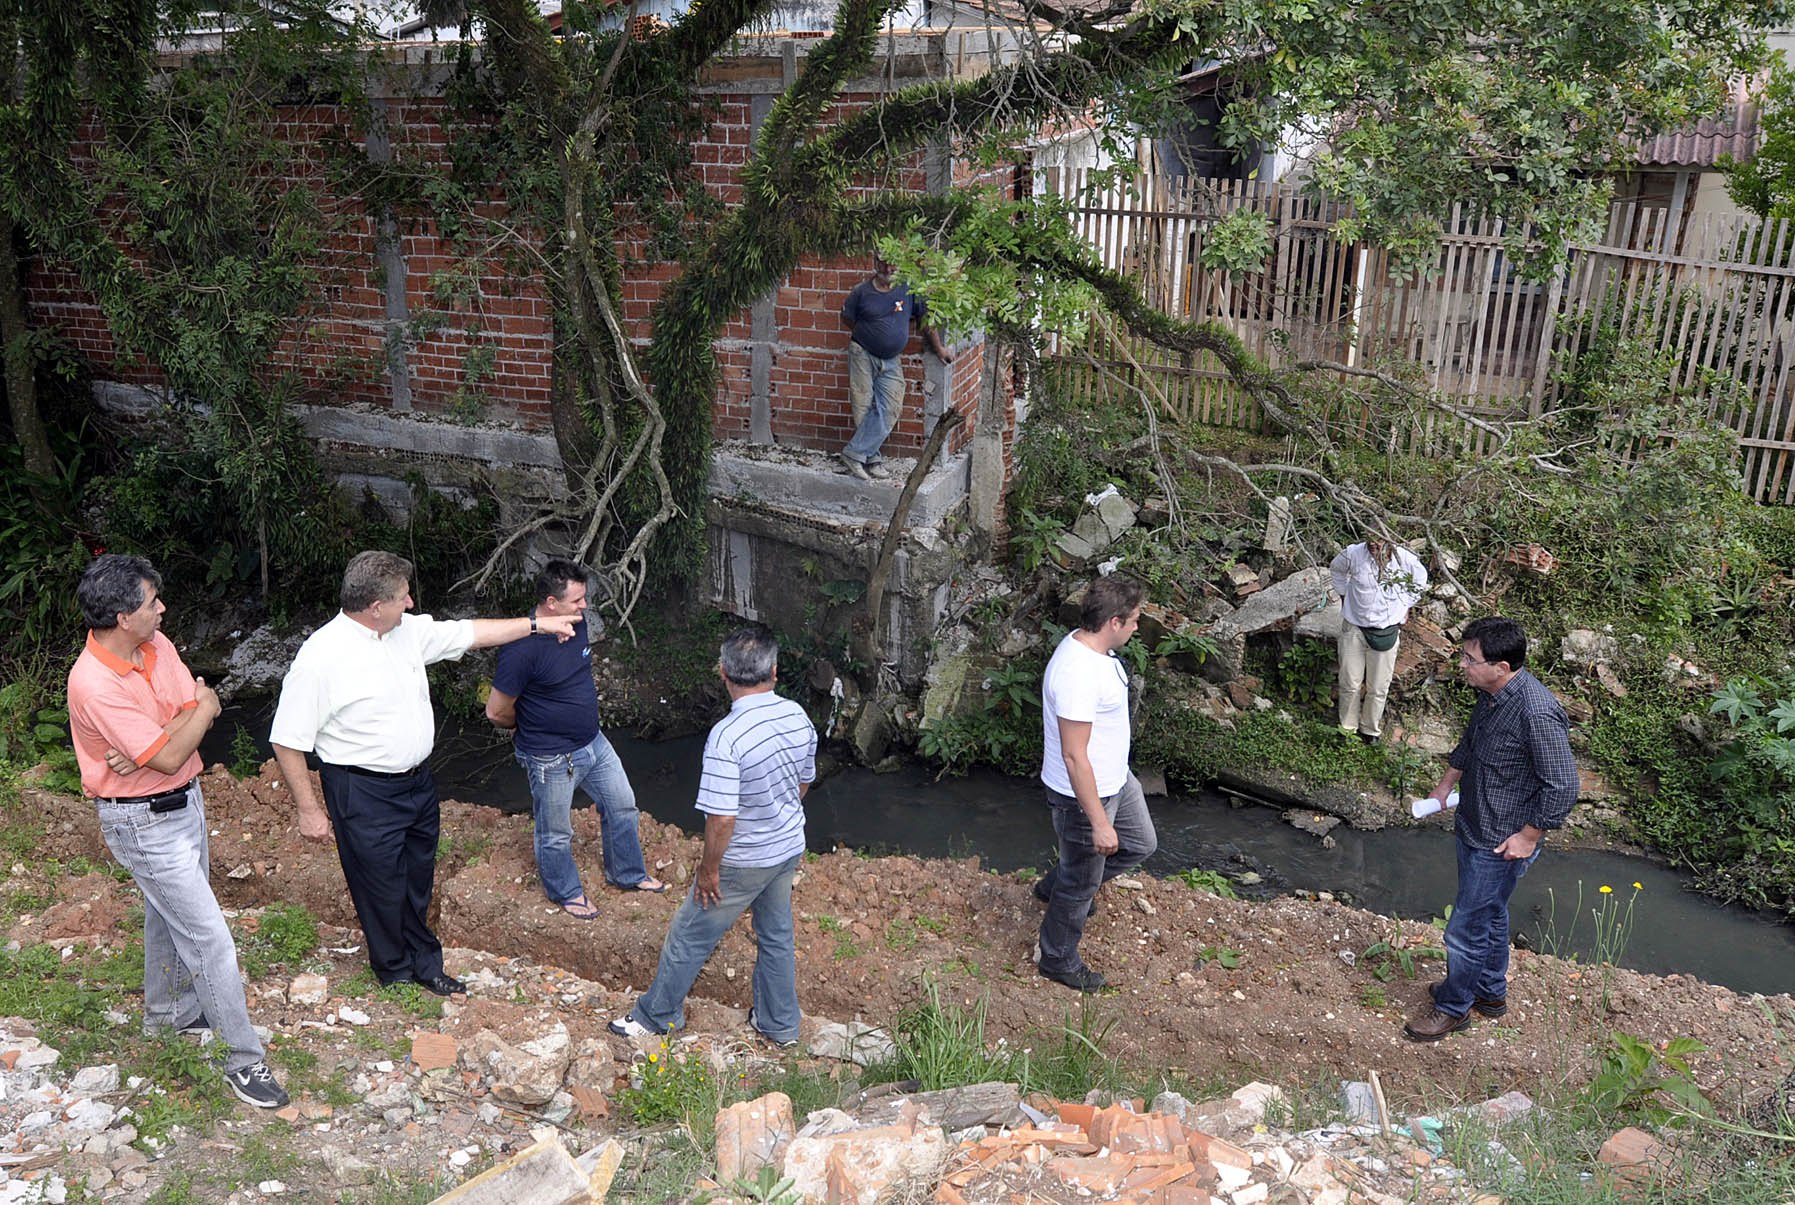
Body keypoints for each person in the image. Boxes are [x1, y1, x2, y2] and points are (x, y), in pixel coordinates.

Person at [269, 551, 577, 996]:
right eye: (402, 597)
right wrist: (308, 810)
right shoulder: (321, 658)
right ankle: (393, 971)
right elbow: (287, 739)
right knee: (379, 885)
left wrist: (537, 625)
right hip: (362, 790)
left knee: (418, 877)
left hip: (416, 783)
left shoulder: (406, 631)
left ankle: (427, 965)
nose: (411, 603)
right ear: (375, 607)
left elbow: (472, 633)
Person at [67, 555, 289, 1108]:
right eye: (150, 603)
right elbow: (169, 754)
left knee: (166, 918)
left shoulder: (156, 645)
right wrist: (173, 736)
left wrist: (182, 723)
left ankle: (169, 1019)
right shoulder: (93, 684)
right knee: (209, 937)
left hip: (185, 803)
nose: (161, 608)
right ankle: (244, 1061)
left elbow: (195, 706)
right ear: (122, 616)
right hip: (142, 821)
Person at [609, 627, 816, 1048]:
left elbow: (722, 819)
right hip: (787, 847)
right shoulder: (797, 715)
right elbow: (803, 783)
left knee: (690, 934)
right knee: (776, 936)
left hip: (743, 859)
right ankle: (779, 1026)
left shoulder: (727, 737)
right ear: (774, 672)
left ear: (723, 673)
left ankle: (656, 1015)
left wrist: (709, 871)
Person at [1404, 616, 1578, 1041]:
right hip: (1476, 821)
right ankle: (1489, 993)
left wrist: (1529, 836)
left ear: (1501, 667)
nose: (1462, 664)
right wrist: (1446, 785)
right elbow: (1471, 742)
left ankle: (1453, 1008)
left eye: (1470, 658)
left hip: (1502, 840)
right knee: (1492, 914)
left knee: (1465, 927)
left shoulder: (1537, 712)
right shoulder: (1490, 694)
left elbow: (1564, 784)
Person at [485, 559, 665, 918]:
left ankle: (627, 874)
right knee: (555, 831)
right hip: (551, 757)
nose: (585, 606)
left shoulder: (575, 625)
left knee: (622, 805)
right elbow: (495, 711)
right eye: (577, 600)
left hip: (593, 741)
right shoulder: (520, 650)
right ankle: (565, 892)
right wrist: (526, 727)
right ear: (551, 603)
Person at [1033, 575, 1158, 992]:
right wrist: (1099, 823)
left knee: (1140, 845)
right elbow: (1073, 755)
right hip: (1084, 795)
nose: (1138, 628)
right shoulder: (1076, 673)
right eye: (1135, 621)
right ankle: (1057, 959)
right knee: (1081, 882)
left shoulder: (1093, 650)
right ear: (1115, 623)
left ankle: (1053, 886)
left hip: (1116, 780)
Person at [837, 255, 953, 481]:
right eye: (883, 262)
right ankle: (871, 459)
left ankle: (856, 453)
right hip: (862, 353)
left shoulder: (907, 290)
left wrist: (939, 349)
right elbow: (847, 318)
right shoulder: (861, 293)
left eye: (893, 263)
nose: (888, 268)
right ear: (874, 263)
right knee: (863, 404)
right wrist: (871, 336)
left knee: (890, 407)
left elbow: (925, 320)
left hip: (891, 359)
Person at [1330, 535, 1428, 743]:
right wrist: (1344, 595)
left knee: (1378, 686)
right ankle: (1347, 729)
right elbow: (1336, 569)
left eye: (1380, 540)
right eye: (1369, 539)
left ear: (1390, 539)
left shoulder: (1405, 559)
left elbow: (1420, 581)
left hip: (1386, 630)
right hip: (1355, 627)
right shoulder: (1353, 553)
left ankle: (1369, 730)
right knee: (1350, 682)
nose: (1374, 544)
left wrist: (1406, 605)